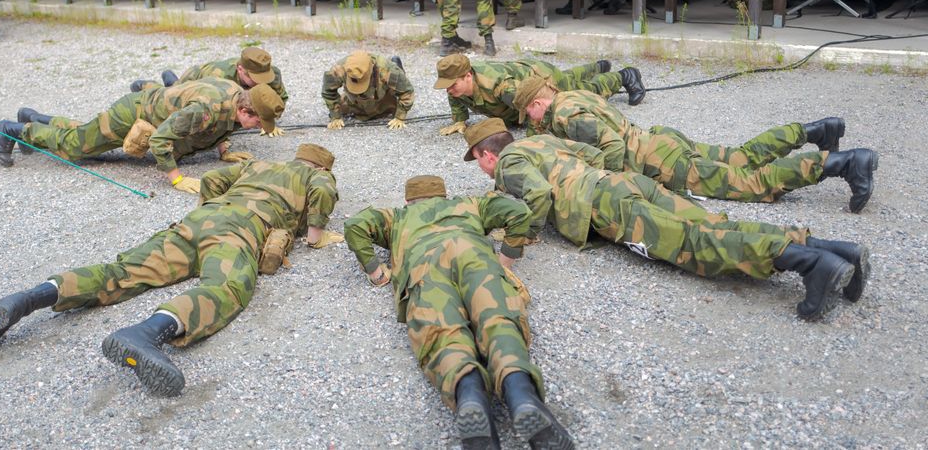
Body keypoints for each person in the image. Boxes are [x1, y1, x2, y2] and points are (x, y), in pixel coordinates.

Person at [0, 144, 342, 396]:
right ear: (321, 165)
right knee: (226, 288)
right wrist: (314, 236)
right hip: (240, 230)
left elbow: (213, 181)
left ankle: (31, 297)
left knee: (123, 272)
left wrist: (210, 211)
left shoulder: (258, 163)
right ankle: (146, 334)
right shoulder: (317, 177)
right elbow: (323, 196)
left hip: (197, 220)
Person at [462, 118, 871, 321]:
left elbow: (535, 194)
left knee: (694, 245)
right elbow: (593, 155)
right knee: (713, 222)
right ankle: (832, 250)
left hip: (611, 207)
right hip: (625, 182)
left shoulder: (508, 165)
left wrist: (517, 244)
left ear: (487, 155)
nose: (482, 170)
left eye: (477, 161)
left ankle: (807, 263)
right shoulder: (537, 141)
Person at [343, 175, 575, 449]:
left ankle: (470, 394)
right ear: (444, 196)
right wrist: (506, 259)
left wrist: (375, 271)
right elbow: (518, 211)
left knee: (442, 332)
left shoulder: (396, 216)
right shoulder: (470, 204)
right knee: (497, 318)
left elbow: (354, 225)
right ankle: (520, 391)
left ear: (408, 200)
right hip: (472, 253)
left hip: (425, 264)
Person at [512, 75, 878, 212]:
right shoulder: (574, 95)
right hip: (660, 142)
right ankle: (817, 131)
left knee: (750, 183)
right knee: (740, 156)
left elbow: (609, 143)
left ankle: (844, 164)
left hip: (663, 162)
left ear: (536, 103)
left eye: (527, 112)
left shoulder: (564, 115)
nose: (529, 120)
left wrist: (607, 177)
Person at [0, 79, 284, 194]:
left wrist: (224, 151)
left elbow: (221, 127)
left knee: (85, 134)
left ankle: (36, 118)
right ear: (246, 109)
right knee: (76, 148)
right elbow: (159, 142)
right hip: (132, 115)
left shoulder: (235, 98)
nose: (258, 126)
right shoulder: (205, 108)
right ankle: (12, 130)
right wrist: (177, 180)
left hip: (150, 114)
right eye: (258, 121)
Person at [434, 52, 645, 136]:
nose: (449, 89)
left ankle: (625, 76)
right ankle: (596, 66)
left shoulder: (503, 88)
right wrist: (460, 120)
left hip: (540, 78)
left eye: (452, 84)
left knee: (582, 92)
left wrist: (533, 140)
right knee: (570, 78)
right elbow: (454, 95)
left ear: (468, 76)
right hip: (527, 73)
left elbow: (534, 107)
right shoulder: (458, 85)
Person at [129, 47, 288, 137]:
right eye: (255, 78)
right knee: (167, 98)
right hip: (192, 83)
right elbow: (212, 111)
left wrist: (265, 118)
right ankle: (148, 87)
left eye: (263, 78)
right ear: (240, 70)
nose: (261, 83)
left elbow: (279, 99)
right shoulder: (219, 77)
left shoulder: (269, 74)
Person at [322, 50, 413, 130]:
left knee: (397, 84)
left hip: (383, 96)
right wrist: (335, 117)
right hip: (353, 101)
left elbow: (407, 92)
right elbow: (328, 92)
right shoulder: (339, 69)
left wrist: (399, 117)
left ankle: (398, 67)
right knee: (344, 108)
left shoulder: (385, 69)